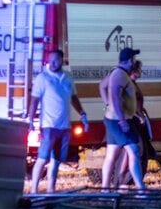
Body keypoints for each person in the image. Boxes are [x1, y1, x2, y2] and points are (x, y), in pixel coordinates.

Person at [27, 49, 88, 193]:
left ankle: (50, 190)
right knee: (42, 158)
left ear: (62, 60)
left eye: (55, 60)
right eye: (50, 60)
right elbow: (34, 100)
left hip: (64, 126)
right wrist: (30, 120)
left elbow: (73, 97)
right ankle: (34, 190)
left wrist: (82, 113)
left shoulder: (67, 77)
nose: (52, 63)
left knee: (56, 161)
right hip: (49, 126)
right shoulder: (43, 78)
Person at [100, 47, 146, 191]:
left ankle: (105, 189)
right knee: (134, 150)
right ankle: (141, 189)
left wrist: (108, 105)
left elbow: (101, 87)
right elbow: (115, 96)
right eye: (132, 59)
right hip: (118, 121)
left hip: (114, 119)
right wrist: (122, 120)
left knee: (111, 155)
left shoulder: (117, 72)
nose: (134, 62)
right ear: (129, 61)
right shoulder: (119, 75)